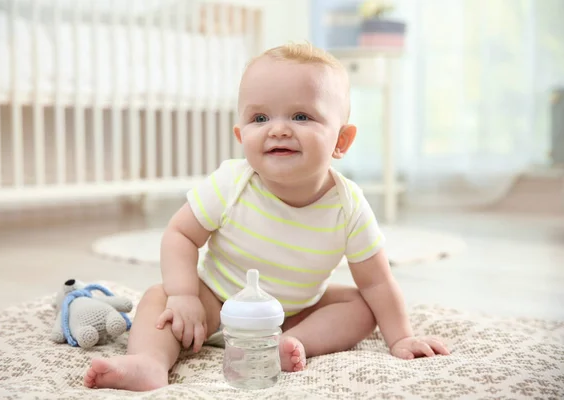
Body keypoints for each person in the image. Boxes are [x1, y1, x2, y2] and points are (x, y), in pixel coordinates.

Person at [84, 42, 450, 391]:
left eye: (301, 116)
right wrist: (184, 295)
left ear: (341, 140)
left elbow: (377, 283)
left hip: (293, 315)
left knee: (360, 305)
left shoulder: (347, 204)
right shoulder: (232, 182)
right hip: (216, 303)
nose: (278, 128)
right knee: (157, 298)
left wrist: (401, 336)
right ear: (242, 136)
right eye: (260, 117)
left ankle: (290, 345)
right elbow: (180, 234)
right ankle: (148, 362)